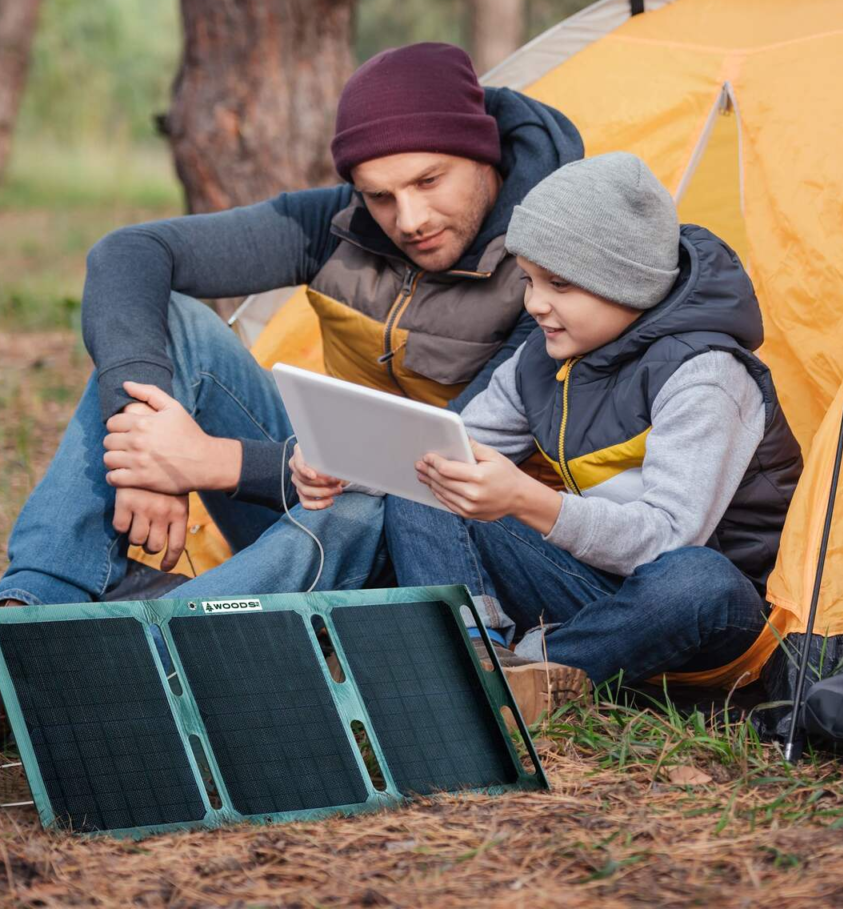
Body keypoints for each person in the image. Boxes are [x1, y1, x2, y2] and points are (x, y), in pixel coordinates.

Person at [0, 43, 583, 764]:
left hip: (461, 539)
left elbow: (444, 463)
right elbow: (130, 253)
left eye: (430, 181)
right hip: (322, 481)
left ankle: (57, 675)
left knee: (370, 502)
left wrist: (212, 462)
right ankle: (14, 622)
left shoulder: (555, 264)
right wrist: (144, 436)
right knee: (175, 333)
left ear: (482, 148)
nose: (408, 218)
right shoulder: (344, 226)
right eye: (379, 194)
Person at [300, 152, 804, 722]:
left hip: (707, 621)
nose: (535, 304)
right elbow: (447, 446)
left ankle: (526, 671)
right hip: (596, 587)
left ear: (628, 283)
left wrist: (526, 500)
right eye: (530, 280)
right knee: (432, 480)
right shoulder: (541, 358)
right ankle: (482, 658)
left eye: (559, 284)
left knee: (697, 580)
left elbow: (664, 540)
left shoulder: (705, 376)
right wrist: (342, 461)